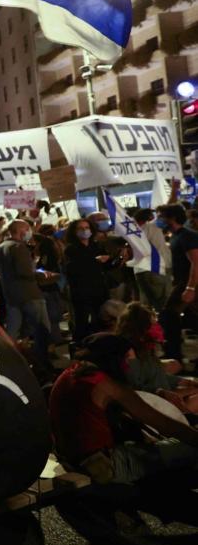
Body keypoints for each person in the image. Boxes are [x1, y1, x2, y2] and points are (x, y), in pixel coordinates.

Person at [49, 331, 198, 485]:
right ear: (113, 358)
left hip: (70, 459)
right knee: (187, 448)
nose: (127, 366)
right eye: (125, 359)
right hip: (104, 467)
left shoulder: (70, 374)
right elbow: (164, 424)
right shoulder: (106, 385)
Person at [0, 220, 54, 378]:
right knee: (42, 331)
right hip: (29, 294)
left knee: (12, 332)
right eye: (27, 229)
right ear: (21, 231)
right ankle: (42, 364)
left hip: (11, 295)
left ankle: (9, 362)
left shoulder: (0, 247)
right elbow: (25, 272)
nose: (29, 232)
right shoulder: (19, 247)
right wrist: (41, 274)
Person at [157, 204, 198, 362]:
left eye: (161, 216)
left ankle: (174, 354)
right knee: (190, 318)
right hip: (183, 282)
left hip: (188, 282)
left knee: (168, 315)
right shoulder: (176, 236)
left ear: (172, 218)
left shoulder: (187, 236)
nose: (159, 219)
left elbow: (195, 262)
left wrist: (190, 287)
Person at [132, 208, 172, 313]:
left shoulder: (133, 231)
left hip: (141, 271)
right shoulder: (151, 227)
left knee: (146, 305)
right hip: (156, 269)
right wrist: (174, 191)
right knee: (163, 303)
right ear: (150, 217)